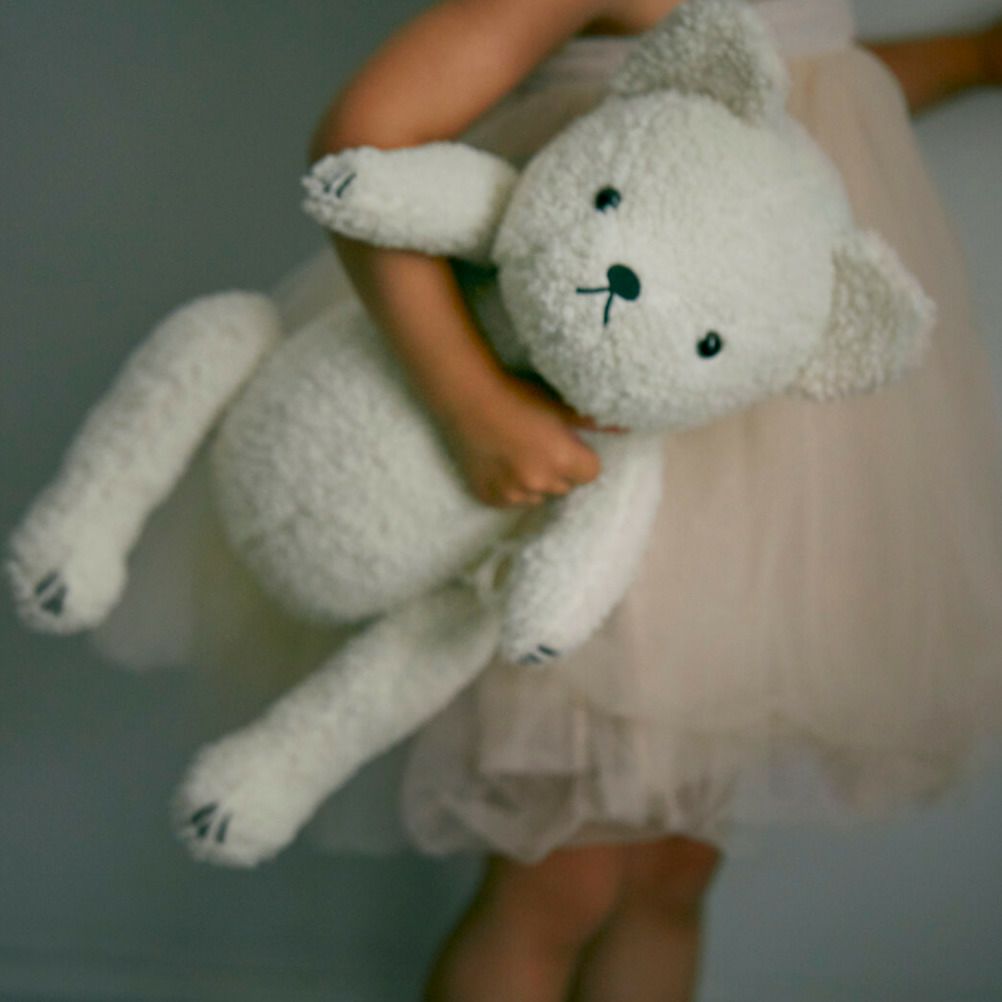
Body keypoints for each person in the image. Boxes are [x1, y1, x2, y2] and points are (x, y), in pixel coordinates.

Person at [296, 2, 1002, 1000]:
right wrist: (472, 406)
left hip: (760, 488)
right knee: (561, 880)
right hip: (600, 456)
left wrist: (972, 55)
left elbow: (815, 85)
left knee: (673, 875)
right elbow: (368, 131)